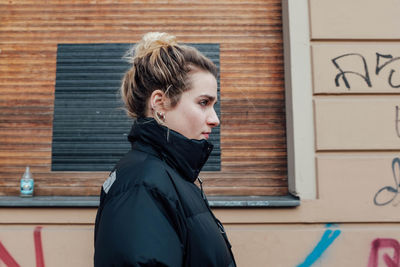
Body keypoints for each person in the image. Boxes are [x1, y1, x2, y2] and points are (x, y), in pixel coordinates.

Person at [94, 32, 236, 267]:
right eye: (204, 103)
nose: (215, 119)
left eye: (214, 105)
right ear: (160, 103)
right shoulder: (144, 184)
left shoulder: (168, 176)